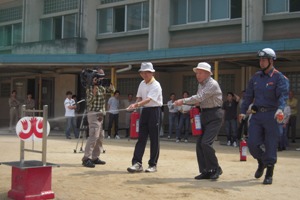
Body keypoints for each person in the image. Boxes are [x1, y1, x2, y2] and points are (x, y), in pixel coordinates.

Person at [239, 48, 289, 185]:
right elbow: (248, 95)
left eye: (264, 59)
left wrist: (280, 109)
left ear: (271, 61)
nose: (261, 62)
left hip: (272, 115)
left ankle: (269, 172)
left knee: (271, 144)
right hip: (257, 115)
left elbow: (283, 96)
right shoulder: (255, 77)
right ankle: (261, 162)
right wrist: (243, 111)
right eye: (260, 60)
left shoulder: (279, 77)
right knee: (252, 142)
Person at [174, 62, 223, 180]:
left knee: (206, 143)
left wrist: (183, 101)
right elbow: (199, 100)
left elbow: (200, 97)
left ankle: (216, 168)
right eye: (197, 73)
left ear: (207, 73)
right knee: (199, 144)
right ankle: (206, 170)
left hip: (215, 115)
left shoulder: (212, 84)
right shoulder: (201, 85)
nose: (197, 75)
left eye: (200, 73)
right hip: (204, 114)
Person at [127, 62, 163, 173]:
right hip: (145, 111)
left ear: (152, 73)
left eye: (147, 72)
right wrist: (134, 105)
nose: (145, 74)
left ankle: (153, 164)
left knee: (154, 139)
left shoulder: (156, 85)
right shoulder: (142, 83)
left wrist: (136, 105)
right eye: (143, 72)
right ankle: (137, 163)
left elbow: (148, 99)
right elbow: (139, 98)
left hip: (155, 111)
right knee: (141, 138)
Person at [82, 67, 114, 168]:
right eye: (100, 76)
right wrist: (94, 85)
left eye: (102, 76)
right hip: (93, 113)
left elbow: (112, 91)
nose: (101, 78)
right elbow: (90, 100)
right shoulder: (90, 87)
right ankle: (86, 158)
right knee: (93, 136)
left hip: (101, 114)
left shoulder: (102, 86)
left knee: (100, 137)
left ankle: (95, 157)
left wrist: (109, 83)